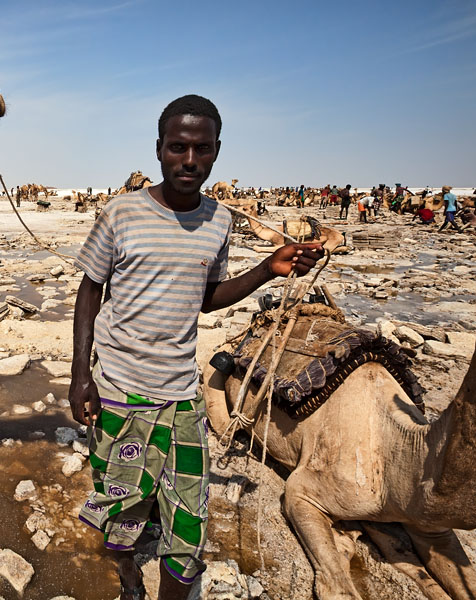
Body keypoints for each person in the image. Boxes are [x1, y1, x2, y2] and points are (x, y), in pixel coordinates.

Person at [69, 94, 324, 600]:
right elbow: (89, 289)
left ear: (216, 152)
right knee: (121, 511)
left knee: (188, 527)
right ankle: (126, 578)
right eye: (177, 147)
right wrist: (81, 374)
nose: (189, 161)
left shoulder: (219, 221)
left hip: (183, 396)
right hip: (121, 391)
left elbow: (207, 299)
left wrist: (267, 269)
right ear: (160, 150)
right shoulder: (121, 213)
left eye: (201, 149)